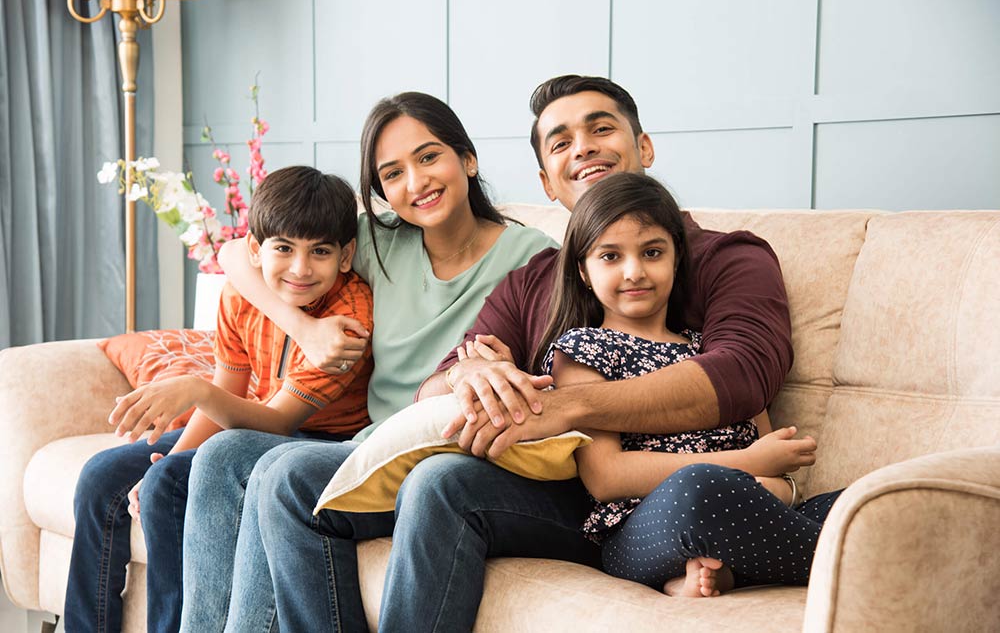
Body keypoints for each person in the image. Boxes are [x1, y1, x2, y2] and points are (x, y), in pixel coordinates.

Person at [210, 74, 797, 631]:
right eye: (561, 142)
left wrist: (570, 408)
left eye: (601, 129)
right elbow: (437, 382)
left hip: (597, 493)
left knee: (442, 483)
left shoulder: (728, 257)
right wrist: (468, 374)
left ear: (642, 144)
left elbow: (743, 374)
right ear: (546, 182)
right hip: (533, 468)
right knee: (285, 474)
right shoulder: (535, 278)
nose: (584, 150)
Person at [175, 92, 555, 631]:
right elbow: (239, 252)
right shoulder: (378, 241)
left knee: (283, 472)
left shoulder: (531, 255)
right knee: (223, 452)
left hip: (445, 447)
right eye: (392, 173)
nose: (416, 182)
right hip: (371, 444)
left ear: (467, 159)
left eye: (428, 158)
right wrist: (304, 327)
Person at [64, 165, 375, 633]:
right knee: (101, 475)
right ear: (257, 250)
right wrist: (165, 457)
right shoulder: (240, 298)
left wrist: (194, 396)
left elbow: (276, 423)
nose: (300, 268)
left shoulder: (347, 320)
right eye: (284, 249)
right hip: (252, 423)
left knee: (167, 485)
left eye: (320, 252)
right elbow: (229, 392)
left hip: (318, 442)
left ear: (346, 255)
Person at [530, 172, 836, 598]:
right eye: (610, 257)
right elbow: (606, 478)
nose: (634, 271)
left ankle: (735, 569)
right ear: (582, 270)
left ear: (676, 259)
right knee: (698, 489)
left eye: (652, 252)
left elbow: (780, 474)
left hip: (743, 508)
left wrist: (773, 483)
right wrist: (747, 464)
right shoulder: (583, 350)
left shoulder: (711, 355)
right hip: (641, 532)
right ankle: (854, 554)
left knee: (872, 500)